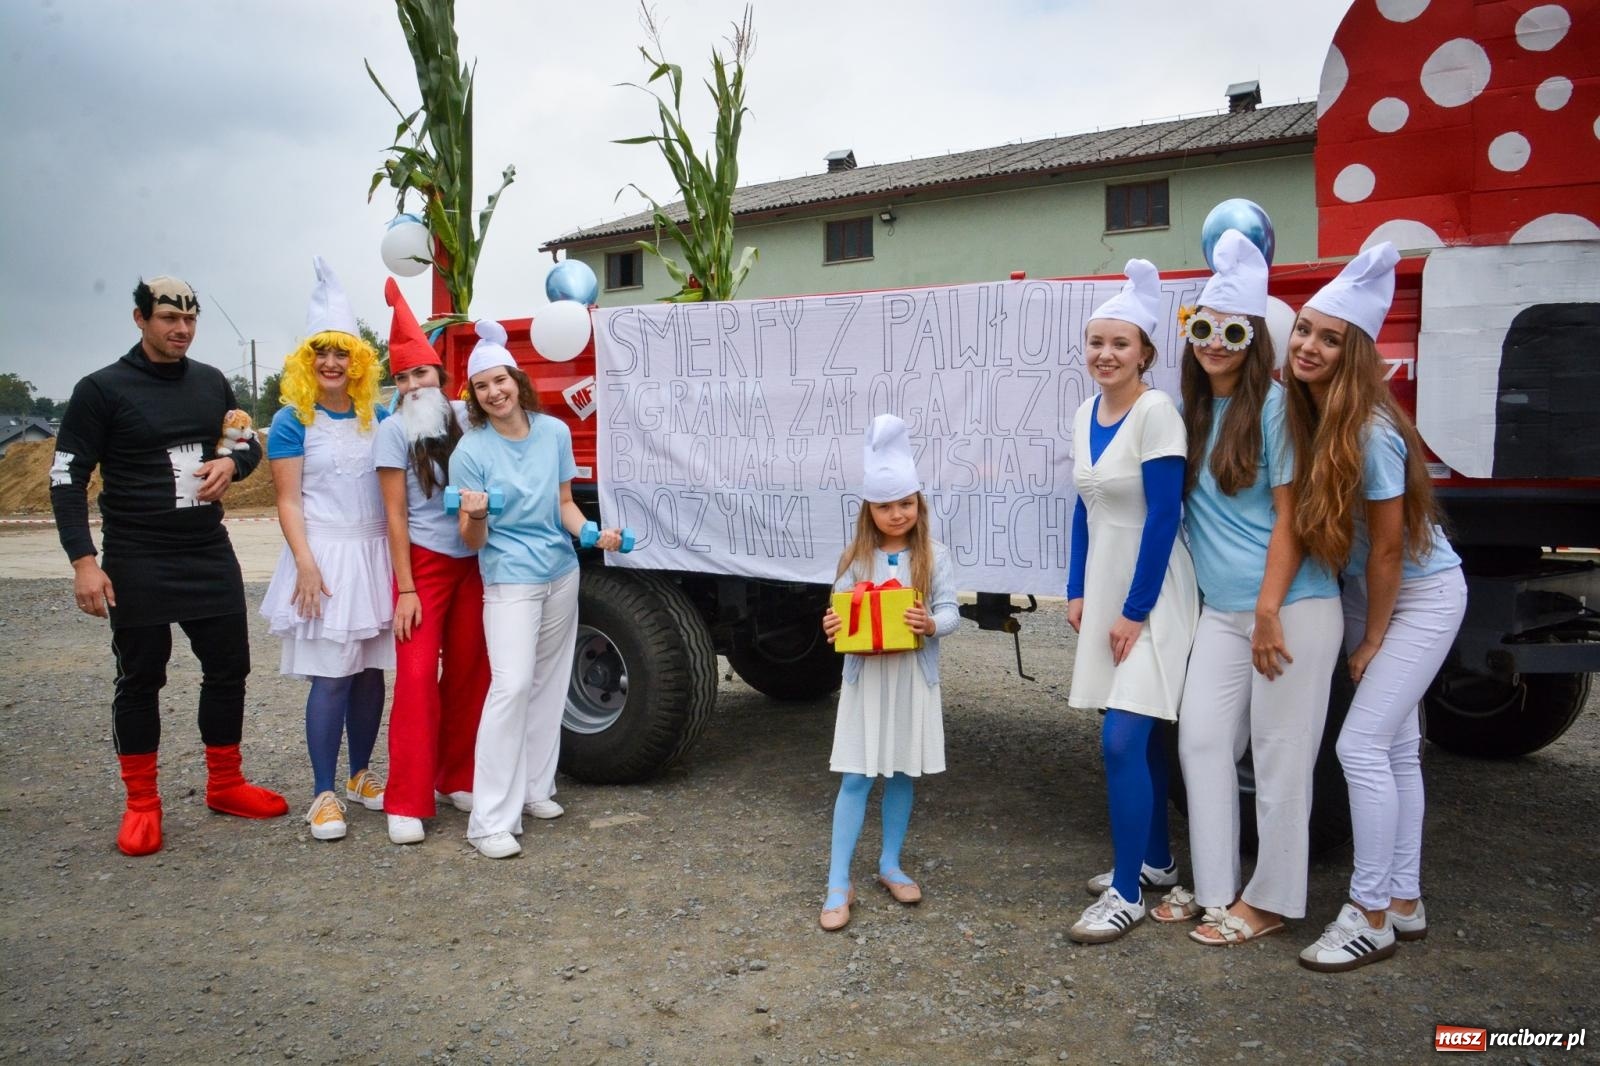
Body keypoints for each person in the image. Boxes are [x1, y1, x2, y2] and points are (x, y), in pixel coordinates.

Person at [50, 275, 288, 856]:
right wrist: (85, 562)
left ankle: (226, 784)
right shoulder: (101, 389)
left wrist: (234, 465)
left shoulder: (211, 381)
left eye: (189, 320)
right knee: (141, 679)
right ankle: (141, 804)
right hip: (137, 556)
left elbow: (242, 441)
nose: (180, 330)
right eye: (167, 319)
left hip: (206, 551)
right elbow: (66, 477)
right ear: (140, 320)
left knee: (229, 669)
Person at [1154, 230, 1345, 945]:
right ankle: (1213, 889)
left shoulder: (1276, 406)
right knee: (1201, 743)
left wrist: (1268, 611)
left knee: (1281, 757)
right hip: (1226, 614)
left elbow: (1293, 519)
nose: (1214, 342)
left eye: (1232, 331)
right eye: (1201, 327)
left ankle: (1271, 902)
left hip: (1289, 611)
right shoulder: (1193, 409)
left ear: (1254, 337)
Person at [1286, 243, 1467, 972]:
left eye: (1329, 338)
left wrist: (1372, 641)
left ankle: (1368, 914)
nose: (1308, 344)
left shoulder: (1368, 430)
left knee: (1359, 747)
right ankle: (1403, 900)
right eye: (1303, 328)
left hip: (1419, 598)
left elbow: (1391, 552)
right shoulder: (1312, 412)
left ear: (1355, 354)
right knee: (1393, 750)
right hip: (1373, 595)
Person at [449, 320, 626, 860]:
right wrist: (475, 514)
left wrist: (593, 535)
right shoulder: (471, 452)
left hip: (560, 572)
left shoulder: (554, 433)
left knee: (548, 682)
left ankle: (532, 790)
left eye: (500, 380)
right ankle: (489, 820)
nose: (494, 392)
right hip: (510, 580)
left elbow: (565, 504)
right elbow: (471, 536)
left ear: (517, 381)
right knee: (511, 686)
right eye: (482, 386)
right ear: (474, 396)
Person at [1065, 260, 1199, 945]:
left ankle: (1124, 895)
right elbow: (1084, 509)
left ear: (1145, 351)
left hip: (1152, 592)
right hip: (1108, 588)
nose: (1105, 354)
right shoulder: (1085, 411)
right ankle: (1155, 861)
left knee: (1122, 737)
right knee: (1132, 731)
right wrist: (1077, 588)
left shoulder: (1156, 412)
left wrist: (1134, 610)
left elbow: (1164, 517)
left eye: (1119, 344)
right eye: (1095, 342)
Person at [260, 258, 394, 842]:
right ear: (306, 361)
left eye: (343, 353)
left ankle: (362, 775)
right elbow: (289, 501)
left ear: (359, 363)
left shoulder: (378, 415)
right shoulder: (293, 421)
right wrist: (306, 564)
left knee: (369, 674)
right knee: (333, 676)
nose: (333, 363)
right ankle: (322, 792)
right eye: (322, 352)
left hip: (375, 554)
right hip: (325, 558)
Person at [817, 414, 960, 932]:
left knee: (901, 770)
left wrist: (931, 623)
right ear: (868, 510)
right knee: (857, 774)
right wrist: (833, 623)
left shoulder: (934, 556)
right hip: (867, 682)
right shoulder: (856, 558)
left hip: (910, 679)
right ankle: (838, 880)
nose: (896, 514)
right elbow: (836, 614)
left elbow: (950, 611)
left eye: (905, 503)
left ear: (919, 504)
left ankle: (889, 863)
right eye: (884, 506)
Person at [374, 279, 488, 845]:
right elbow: (395, 516)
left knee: (472, 668)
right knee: (418, 677)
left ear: (440, 377)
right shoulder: (393, 433)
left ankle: (455, 775)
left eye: (421, 373)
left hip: (475, 560)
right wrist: (406, 589)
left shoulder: (467, 419)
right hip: (423, 565)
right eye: (402, 377)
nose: (413, 385)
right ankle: (407, 797)